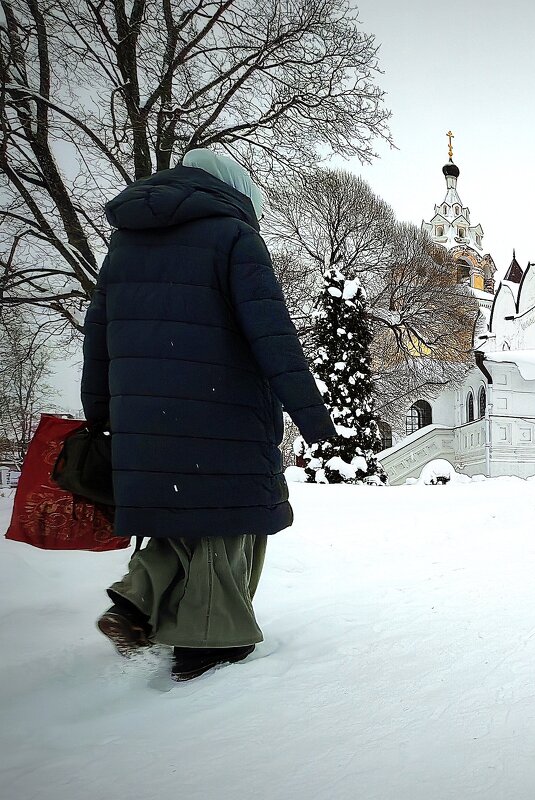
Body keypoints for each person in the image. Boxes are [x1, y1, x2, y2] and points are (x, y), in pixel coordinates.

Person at [82, 149, 335, 681]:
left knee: (182, 522)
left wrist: (104, 415)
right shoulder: (235, 239)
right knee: (228, 526)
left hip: (143, 421)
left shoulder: (123, 245)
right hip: (224, 414)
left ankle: (137, 599)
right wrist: (315, 420)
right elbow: (274, 338)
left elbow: (98, 339)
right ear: (236, 193)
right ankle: (207, 646)